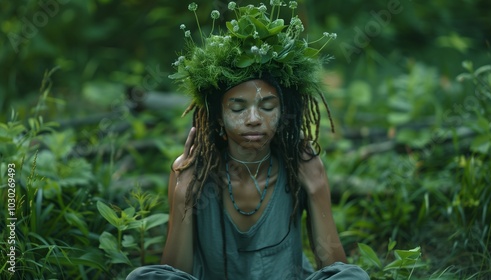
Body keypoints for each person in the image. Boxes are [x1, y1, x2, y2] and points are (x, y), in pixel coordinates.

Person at [127, 2, 369, 279]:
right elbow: (176, 272)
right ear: (217, 115)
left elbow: (334, 269)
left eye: (267, 107)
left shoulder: (298, 169)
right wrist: (184, 195)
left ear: (283, 114)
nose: (253, 119)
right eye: (238, 108)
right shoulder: (192, 173)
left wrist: (316, 187)